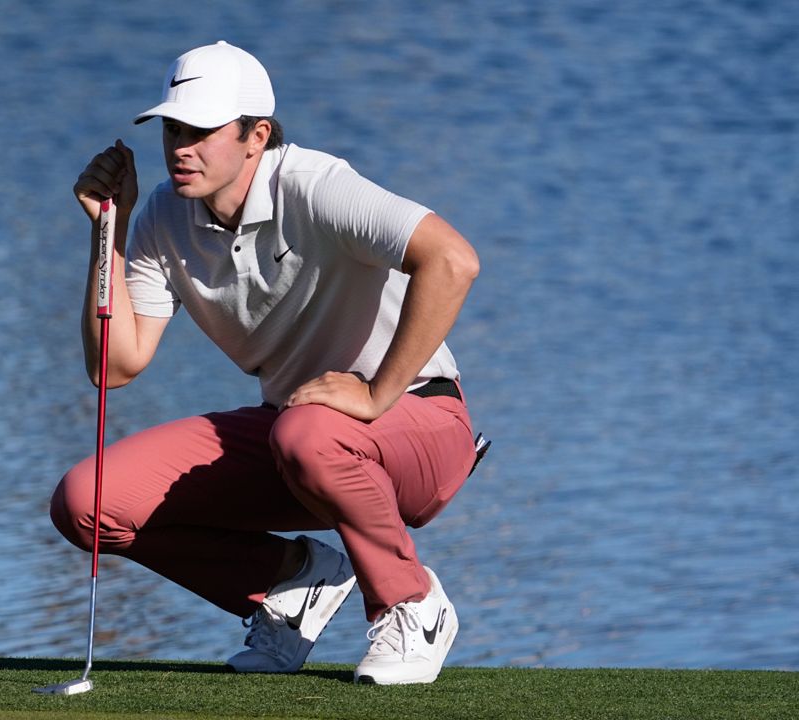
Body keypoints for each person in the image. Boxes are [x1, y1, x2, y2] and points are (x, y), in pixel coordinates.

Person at [51, 40, 483, 685]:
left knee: (307, 433)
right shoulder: (164, 217)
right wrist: (107, 230)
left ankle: (411, 604)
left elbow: (453, 260)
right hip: (298, 439)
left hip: (418, 422)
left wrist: (374, 395)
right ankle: (288, 585)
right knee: (87, 501)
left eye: (200, 130)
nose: (179, 147)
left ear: (257, 136)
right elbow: (115, 366)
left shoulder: (314, 185)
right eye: (173, 127)